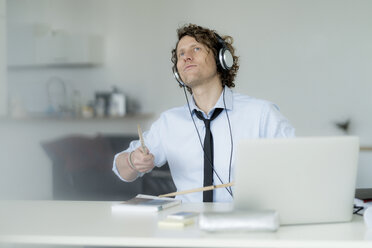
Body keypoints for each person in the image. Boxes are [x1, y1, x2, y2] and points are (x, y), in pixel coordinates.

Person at [113, 24, 295, 203]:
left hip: (244, 223)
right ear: (178, 73)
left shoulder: (261, 114)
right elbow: (121, 170)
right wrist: (132, 161)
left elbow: (296, 164)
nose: (186, 57)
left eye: (196, 48)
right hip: (186, 226)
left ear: (221, 59)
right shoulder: (169, 122)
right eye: (181, 54)